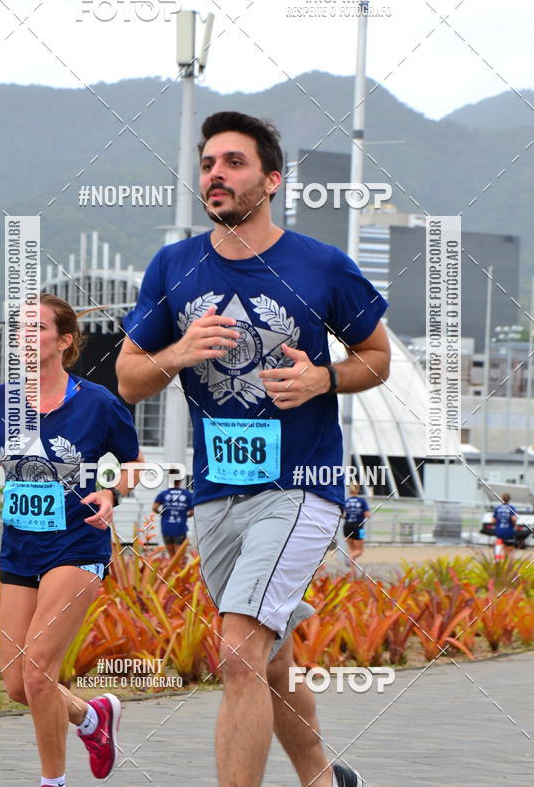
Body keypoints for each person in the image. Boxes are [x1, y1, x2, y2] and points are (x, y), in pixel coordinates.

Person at [117, 111, 390, 787]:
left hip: (302, 486)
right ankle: (324, 779)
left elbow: (377, 358)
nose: (216, 173)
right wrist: (177, 352)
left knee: (238, 653)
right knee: (267, 662)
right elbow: (126, 377)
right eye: (208, 162)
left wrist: (323, 377)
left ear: (270, 180)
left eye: (233, 162)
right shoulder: (173, 265)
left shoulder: (320, 265)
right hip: (217, 493)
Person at [0, 294, 144, 787]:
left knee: (39, 672)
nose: (25, 336)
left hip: (77, 545)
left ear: (64, 341)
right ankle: (90, 718)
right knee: (19, 685)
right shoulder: (3, 398)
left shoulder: (98, 402)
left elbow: (134, 465)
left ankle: (52, 783)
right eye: (20, 328)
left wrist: (111, 491)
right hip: (20, 547)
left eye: (37, 328)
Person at [152, 475, 194, 556]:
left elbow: (154, 508)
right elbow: (192, 511)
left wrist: (162, 513)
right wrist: (186, 515)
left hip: (166, 528)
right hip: (180, 528)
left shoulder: (163, 494)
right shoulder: (188, 494)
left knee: (172, 557)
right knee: (179, 558)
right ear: (180, 481)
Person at [343, 483, 371, 574]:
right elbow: (367, 515)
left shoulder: (346, 502)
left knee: (351, 549)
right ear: (358, 490)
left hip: (347, 526)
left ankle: (352, 572)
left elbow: (343, 515)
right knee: (359, 550)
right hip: (358, 526)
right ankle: (349, 558)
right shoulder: (362, 501)